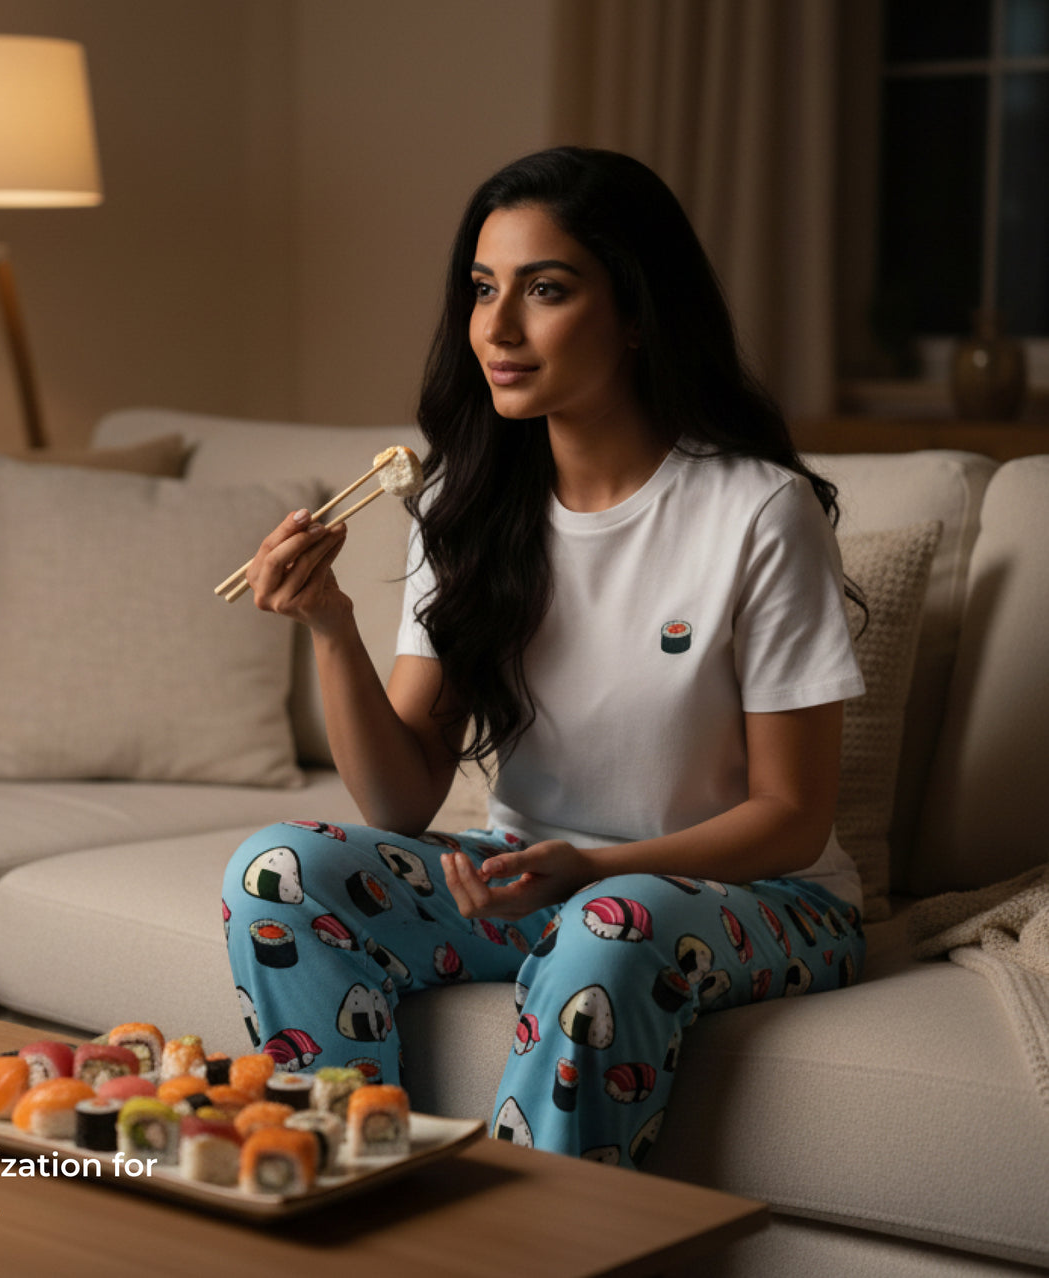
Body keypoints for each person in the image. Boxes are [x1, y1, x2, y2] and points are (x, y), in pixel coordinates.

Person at [222, 145, 868, 1167]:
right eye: (482, 290)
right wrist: (329, 626)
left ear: (634, 312)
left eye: (545, 289)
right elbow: (396, 803)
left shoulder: (755, 511)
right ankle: (348, 1190)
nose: (497, 327)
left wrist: (594, 868)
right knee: (277, 871)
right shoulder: (463, 509)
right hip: (531, 886)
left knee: (608, 924)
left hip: (758, 903)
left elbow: (792, 820)